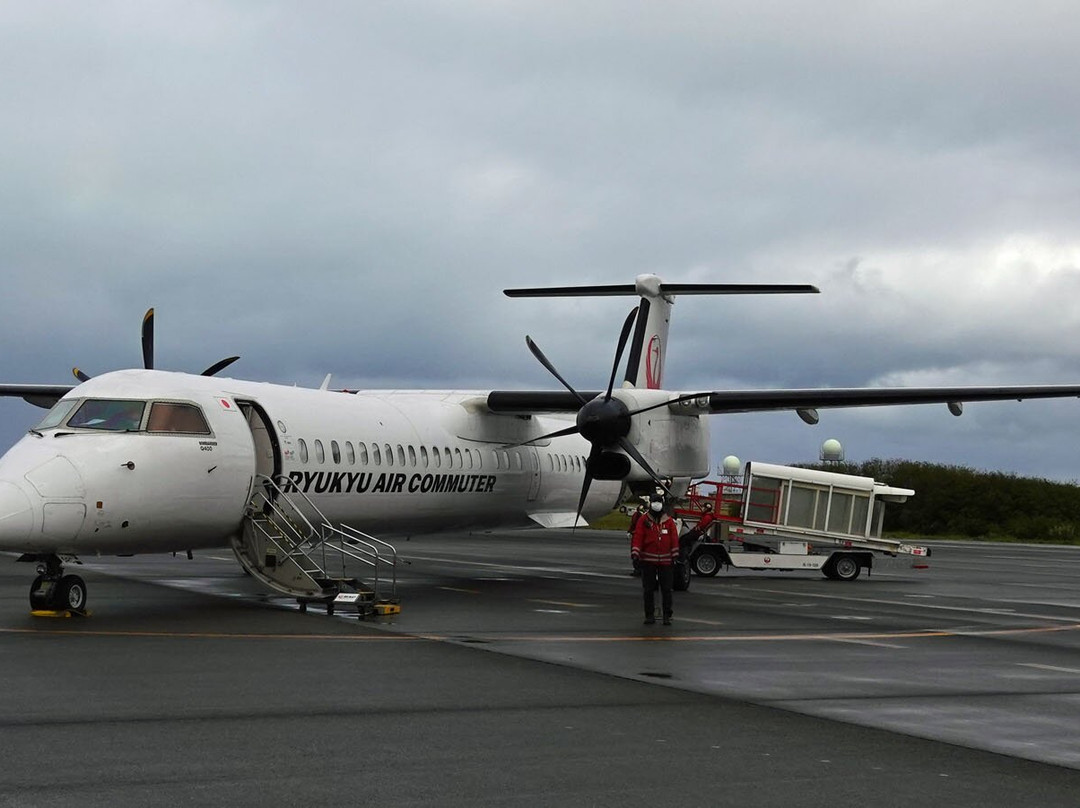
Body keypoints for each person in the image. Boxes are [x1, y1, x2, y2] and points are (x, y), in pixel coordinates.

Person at [631, 494, 681, 625]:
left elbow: (674, 538)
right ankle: (649, 615)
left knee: (667, 589)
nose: (656, 504)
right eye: (655, 502)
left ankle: (667, 615)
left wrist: (675, 554)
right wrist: (635, 553)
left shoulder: (668, 521)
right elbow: (638, 536)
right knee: (648, 589)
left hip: (666, 561)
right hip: (648, 560)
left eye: (659, 502)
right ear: (650, 503)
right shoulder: (643, 520)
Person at [627, 504, 646, 576]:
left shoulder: (647, 517)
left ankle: (640, 569)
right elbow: (633, 524)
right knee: (635, 553)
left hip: (642, 536)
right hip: (637, 535)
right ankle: (637, 569)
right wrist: (630, 531)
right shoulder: (636, 515)